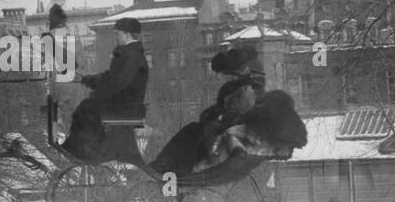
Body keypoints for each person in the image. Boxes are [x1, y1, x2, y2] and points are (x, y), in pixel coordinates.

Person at [149, 44, 263, 175]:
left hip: (227, 135)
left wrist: (215, 122)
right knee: (190, 132)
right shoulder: (232, 90)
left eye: (222, 74)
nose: (219, 78)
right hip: (219, 129)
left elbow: (236, 119)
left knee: (193, 137)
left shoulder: (244, 92)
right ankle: (166, 163)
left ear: (233, 74)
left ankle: (173, 167)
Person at [60, 17, 149, 162]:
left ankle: (81, 151)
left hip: (125, 106)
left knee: (87, 108)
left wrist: (97, 95)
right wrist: (85, 79)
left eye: (117, 34)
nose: (116, 37)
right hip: (126, 104)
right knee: (87, 106)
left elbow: (118, 83)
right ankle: (83, 150)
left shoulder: (132, 55)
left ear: (127, 34)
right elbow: (111, 78)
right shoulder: (130, 54)